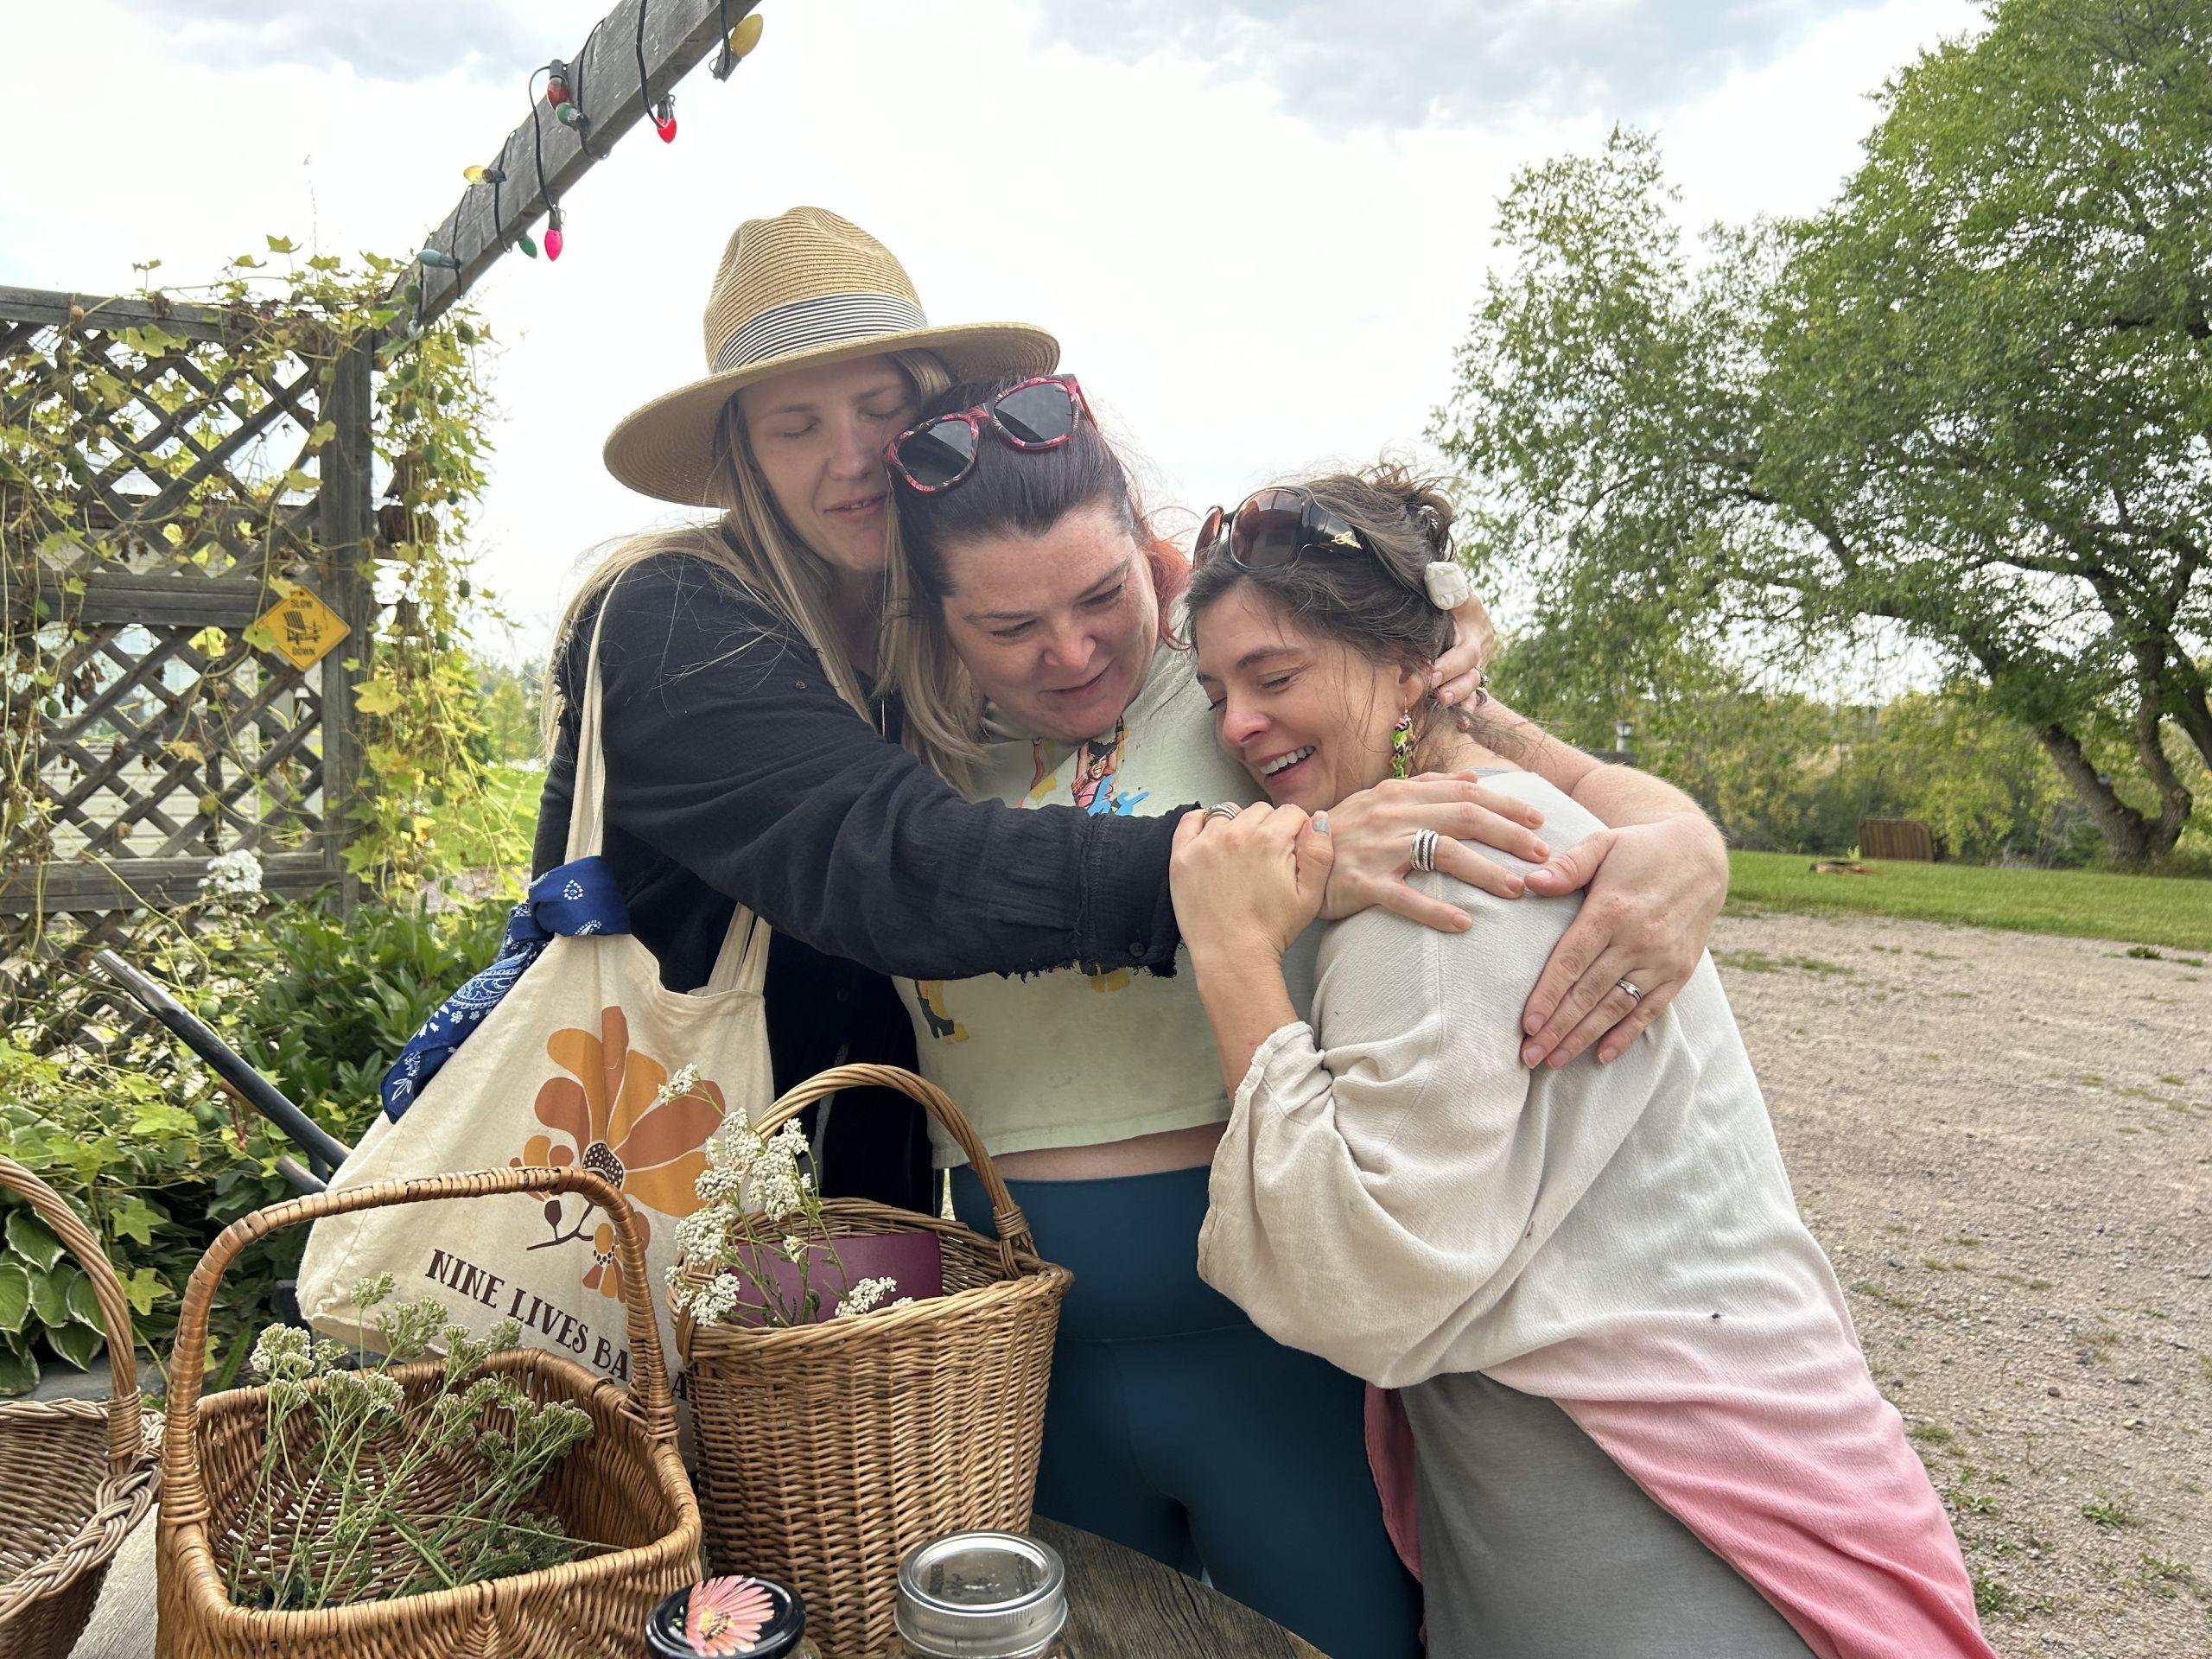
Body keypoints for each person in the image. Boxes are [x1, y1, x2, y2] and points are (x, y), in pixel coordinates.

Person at [885, 386, 1734, 1659]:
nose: (1069, 652)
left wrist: (1685, 842)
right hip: (1023, 1359)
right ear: (937, 622)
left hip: (1272, 1344)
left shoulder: (1233, 687)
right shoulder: (904, 756)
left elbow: (1474, 745)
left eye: (1102, 598)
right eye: (1010, 626)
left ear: (1149, 556)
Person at [535, 207, 1527, 1213]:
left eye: (878, 409)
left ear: (933, 413)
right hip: (650, 1197)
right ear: (741, 453)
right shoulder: (678, 621)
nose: (851, 457)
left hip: (874, 1235)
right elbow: (885, 863)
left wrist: (1651, 822)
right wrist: (1267, 860)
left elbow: (1345, 667)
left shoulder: (942, 643)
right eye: (796, 426)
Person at [1168, 465, 1998, 1659]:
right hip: (1751, 1466)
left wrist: (1236, 954)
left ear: (1413, 665)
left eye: (1275, 676)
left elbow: (1353, 1278)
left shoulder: (1445, 880)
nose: (1237, 722)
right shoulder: (1536, 815)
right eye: (1215, 690)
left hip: (1640, 1530)